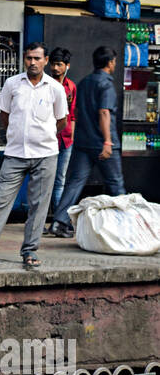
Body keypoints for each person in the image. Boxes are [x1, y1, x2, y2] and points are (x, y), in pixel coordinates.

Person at [0, 42, 68, 269]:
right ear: (23, 59)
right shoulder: (12, 84)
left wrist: (44, 135)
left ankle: (30, 251)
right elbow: (5, 116)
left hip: (46, 154)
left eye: (38, 58)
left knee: (38, 206)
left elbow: (61, 121)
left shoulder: (55, 88)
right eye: (29, 58)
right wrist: (19, 135)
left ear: (46, 61)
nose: (33, 63)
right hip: (15, 153)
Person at [48, 45, 126, 239]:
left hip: (83, 143)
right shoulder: (105, 84)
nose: (114, 64)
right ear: (109, 63)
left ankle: (58, 222)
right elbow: (104, 112)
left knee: (74, 182)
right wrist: (107, 141)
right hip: (102, 144)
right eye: (114, 61)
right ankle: (127, 225)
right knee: (115, 183)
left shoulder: (83, 83)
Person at [45, 47, 77, 226]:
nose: (55, 68)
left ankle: (58, 221)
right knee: (45, 181)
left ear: (67, 66)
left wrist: (71, 135)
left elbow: (72, 114)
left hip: (65, 140)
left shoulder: (71, 86)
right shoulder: (46, 84)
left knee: (60, 180)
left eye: (59, 64)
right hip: (47, 139)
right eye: (53, 64)